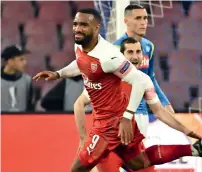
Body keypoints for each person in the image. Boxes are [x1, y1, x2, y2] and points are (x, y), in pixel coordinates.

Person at [33, 8, 201, 172]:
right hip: (115, 121)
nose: (77, 28)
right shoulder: (80, 46)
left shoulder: (109, 57)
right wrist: (58, 74)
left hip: (109, 126)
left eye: (83, 25)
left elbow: (141, 81)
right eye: (76, 24)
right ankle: (194, 150)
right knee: (137, 163)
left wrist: (128, 117)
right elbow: (80, 64)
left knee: (77, 169)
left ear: (96, 28)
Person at [73, 37, 202, 172]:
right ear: (122, 56)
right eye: (130, 52)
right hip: (107, 147)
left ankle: (194, 149)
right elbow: (79, 104)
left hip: (131, 144)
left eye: (138, 52)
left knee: (141, 163)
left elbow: (160, 112)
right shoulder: (107, 77)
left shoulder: (144, 81)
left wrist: (188, 131)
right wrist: (83, 139)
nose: (135, 57)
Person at [1, 45, 35, 112]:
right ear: (10, 61)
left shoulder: (27, 80)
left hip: (21, 121)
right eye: (21, 59)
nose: (25, 63)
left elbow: (30, 106)